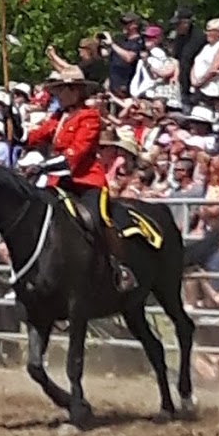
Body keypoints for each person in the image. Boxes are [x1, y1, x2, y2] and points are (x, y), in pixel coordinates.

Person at [26, 67, 136, 292]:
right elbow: (33, 137)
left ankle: (119, 266)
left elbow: (76, 154)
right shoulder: (57, 118)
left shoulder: (90, 117)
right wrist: (14, 126)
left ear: (75, 91)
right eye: (56, 90)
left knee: (96, 219)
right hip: (58, 183)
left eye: (62, 89)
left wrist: (42, 166)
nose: (57, 95)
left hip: (87, 182)